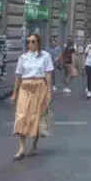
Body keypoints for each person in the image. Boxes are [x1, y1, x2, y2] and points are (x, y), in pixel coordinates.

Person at [10, 33, 53, 161]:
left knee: (36, 116)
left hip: (39, 86)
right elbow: (18, 75)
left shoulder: (45, 56)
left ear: (38, 42)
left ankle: (34, 145)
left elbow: (48, 74)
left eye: (33, 41)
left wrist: (49, 91)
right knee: (21, 115)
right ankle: (22, 148)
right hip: (25, 86)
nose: (30, 44)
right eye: (28, 41)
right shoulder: (23, 57)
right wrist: (14, 92)